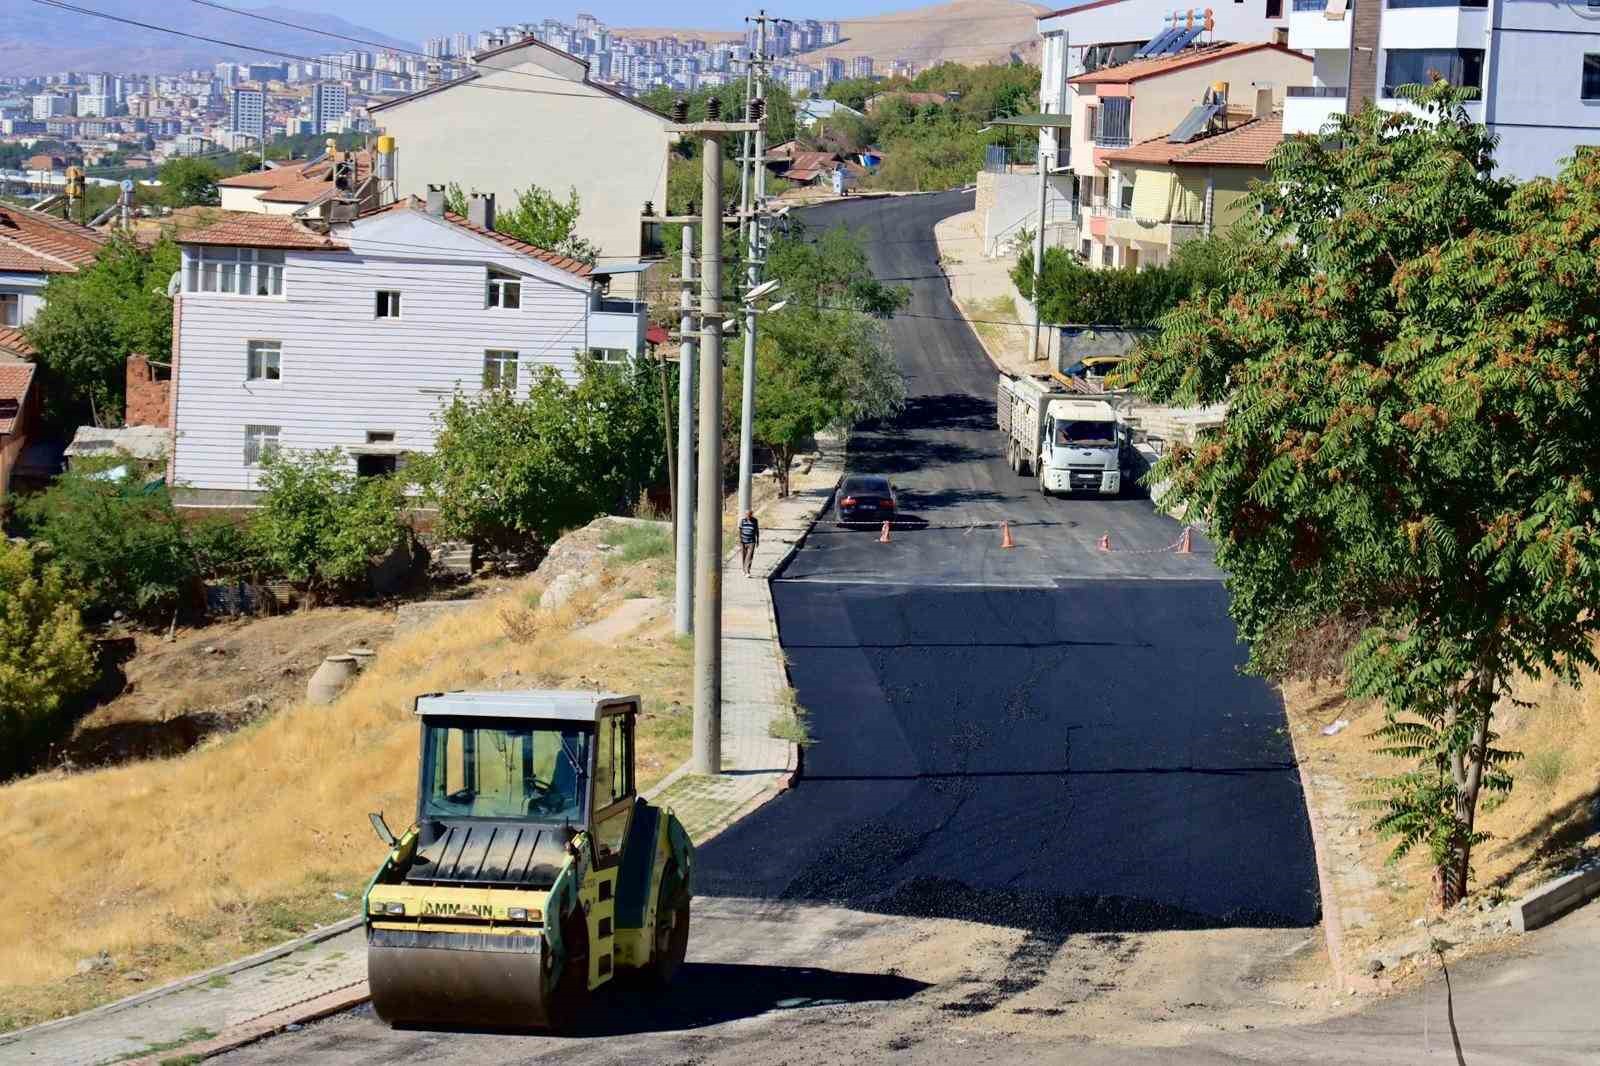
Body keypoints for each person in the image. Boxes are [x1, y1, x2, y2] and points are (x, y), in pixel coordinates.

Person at [738, 509, 760, 577]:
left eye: (750, 515)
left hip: (751, 541)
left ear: (751, 514)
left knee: (749, 556)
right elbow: (740, 530)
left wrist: (757, 540)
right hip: (743, 541)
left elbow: (757, 530)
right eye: (747, 515)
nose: (748, 516)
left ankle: (747, 571)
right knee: (744, 556)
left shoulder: (755, 521)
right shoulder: (743, 521)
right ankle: (744, 570)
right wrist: (740, 540)